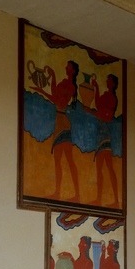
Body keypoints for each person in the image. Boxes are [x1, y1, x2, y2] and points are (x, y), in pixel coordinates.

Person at [33, 60, 81, 201]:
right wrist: (53, 76)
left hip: (63, 123)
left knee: (69, 160)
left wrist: (42, 91)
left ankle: (77, 194)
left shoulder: (70, 85)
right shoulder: (65, 83)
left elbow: (58, 101)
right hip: (59, 123)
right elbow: (55, 93)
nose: (66, 67)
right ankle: (58, 192)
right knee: (58, 160)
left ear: (72, 71)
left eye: (68, 67)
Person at [90, 74, 120, 208]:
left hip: (105, 134)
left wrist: (92, 112)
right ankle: (99, 198)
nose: (107, 81)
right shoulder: (106, 95)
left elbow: (107, 116)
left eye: (109, 80)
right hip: (100, 135)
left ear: (113, 83)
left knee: (109, 167)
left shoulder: (112, 98)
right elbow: (98, 105)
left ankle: (116, 200)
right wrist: (96, 88)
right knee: (99, 168)